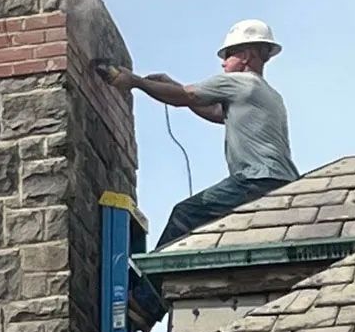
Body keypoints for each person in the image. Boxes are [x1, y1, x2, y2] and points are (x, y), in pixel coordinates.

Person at [105, 20, 298, 250]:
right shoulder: (269, 94)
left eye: (228, 55)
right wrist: (175, 87)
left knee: (184, 213)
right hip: (283, 181)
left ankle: (150, 283)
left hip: (256, 180)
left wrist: (136, 82)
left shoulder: (238, 81)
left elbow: (187, 97)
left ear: (246, 55)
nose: (223, 62)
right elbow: (216, 112)